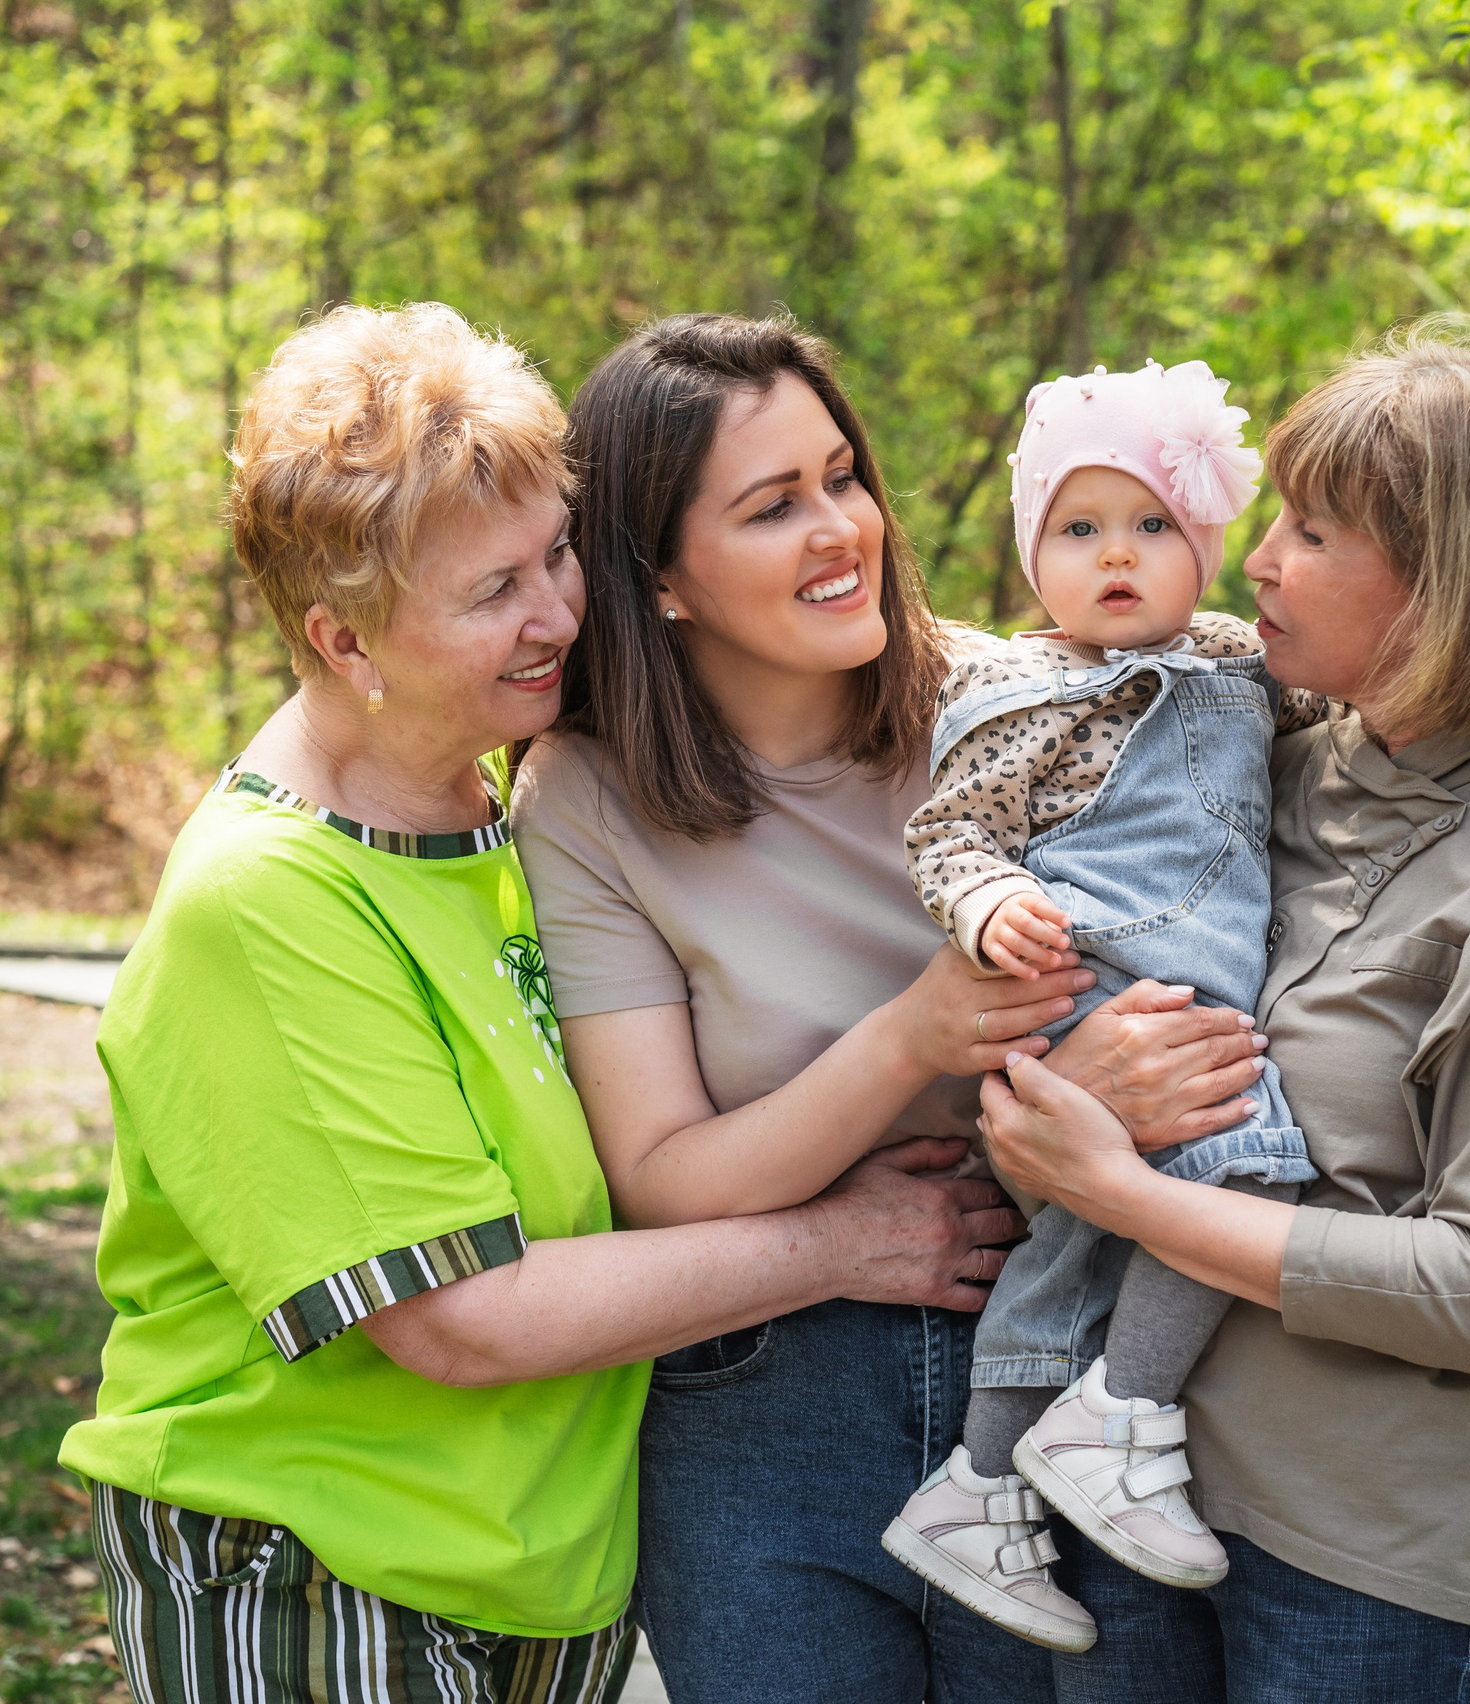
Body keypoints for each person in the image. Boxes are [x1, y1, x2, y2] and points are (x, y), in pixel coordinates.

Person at [61, 303, 1025, 1704]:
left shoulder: (504, 808)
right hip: (322, 1577)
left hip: (537, 1579)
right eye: (491, 592)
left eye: (558, 554)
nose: (561, 613)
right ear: (344, 642)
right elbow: (460, 1318)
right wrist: (841, 1242)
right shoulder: (267, 901)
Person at [512, 315, 1269, 1704]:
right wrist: (921, 1036)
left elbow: (1201, 949)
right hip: (761, 1416)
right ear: (659, 576)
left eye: (844, 477)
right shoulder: (586, 799)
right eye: (773, 505)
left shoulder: (1025, 701)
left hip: (1051, 1367)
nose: (840, 528)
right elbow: (666, 1175)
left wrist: (1067, 1098)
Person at [977, 322, 1470, 1704]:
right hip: (1129, 1506)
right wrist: (1057, 1116)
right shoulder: (1272, 759)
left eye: (1311, 530)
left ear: (1443, 584)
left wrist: (1121, 1191)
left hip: (1360, 1567)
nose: (1254, 557)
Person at [883, 359, 1324, 1650]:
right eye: (1078, 530)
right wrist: (984, 908)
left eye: (1152, 528)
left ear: (1206, 549)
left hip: (1189, 984)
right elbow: (951, 835)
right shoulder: (1026, 696)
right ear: (1034, 555)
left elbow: (1344, 711)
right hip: (1097, 987)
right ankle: (1122, 1415)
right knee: (1248, 1173)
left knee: (1075, 1255)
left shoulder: (1245, 670)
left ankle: (977, 1489)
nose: (1115, 557)